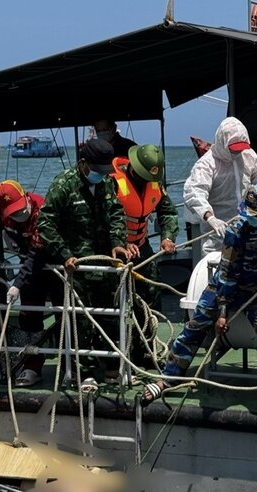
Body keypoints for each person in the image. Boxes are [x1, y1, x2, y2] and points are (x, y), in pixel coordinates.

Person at [144, 184, 257, 421]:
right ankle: (168, 377)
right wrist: (222, 313)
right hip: (223, 288)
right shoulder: (237, 230)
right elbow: (227, 273)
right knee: (194, 328)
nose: (250, 218)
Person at [37, 139, 132, 382]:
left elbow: (116, 213)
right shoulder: (63, 186)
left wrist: (118, 241)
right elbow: (46, 224)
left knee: (110, 315)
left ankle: (113, 364)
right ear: (83, 164)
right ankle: (83, 372)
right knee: (79, 321)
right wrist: (64, 254)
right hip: (76, 267)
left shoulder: (107, 183)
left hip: (104, 265)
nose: (100, 176)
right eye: (97, 171)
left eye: (104, 171)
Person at [109, 143, 179, 368]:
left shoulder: (155, 184)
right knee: (111, 301)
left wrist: (167, 237)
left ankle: (145, 349)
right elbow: (106, 216)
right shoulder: (112, 182)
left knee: (150, 294)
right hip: (113, 249)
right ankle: (112, 355)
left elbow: (167, 211)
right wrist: (120, 243)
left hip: (141, 247)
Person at [0, 179, 64, 387]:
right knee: (29, 317)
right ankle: (32, 366)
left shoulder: (44, 211)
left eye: (19, 208)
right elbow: (17, 247)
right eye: (12, 212)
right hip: (30, 271)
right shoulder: (5, 218)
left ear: (26, 196)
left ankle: (70, 365)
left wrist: (17, 284)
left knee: (65, 316)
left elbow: (37, 252)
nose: (18, 214)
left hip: (57, 267)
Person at [183, 117, 257, 255]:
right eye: (234, 149)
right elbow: (194, 192)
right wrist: (210, 217)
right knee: (216, 270)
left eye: (241, 148)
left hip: (246, 228)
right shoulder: (206, 165)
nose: (238, 152)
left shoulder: (247, 155)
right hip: (217, 233)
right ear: (222, 142)